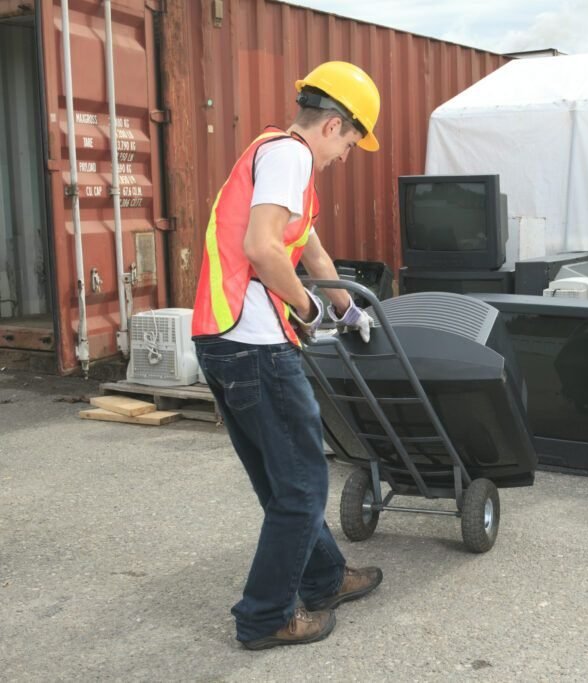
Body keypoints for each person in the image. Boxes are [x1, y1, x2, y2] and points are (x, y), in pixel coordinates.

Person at [191, 61, 381, 650]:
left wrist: (350, 311)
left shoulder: (275, 162)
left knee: (284, 482)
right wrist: (307, 309)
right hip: (254, 346)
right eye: (351, 139)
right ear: (332, 124)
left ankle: (324, 579)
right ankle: (266, 616)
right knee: (300, 488)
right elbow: (263, 249)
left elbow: (317, 259)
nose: (347, 154)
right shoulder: (290, 156)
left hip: (221, 340)